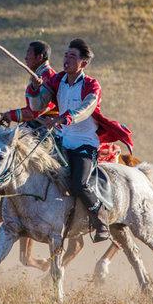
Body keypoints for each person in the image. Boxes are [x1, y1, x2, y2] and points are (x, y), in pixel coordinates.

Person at [26, 39, 133, 242]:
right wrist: (35, 87)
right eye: (66, 55)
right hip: (61, 140)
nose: (66, 59)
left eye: (72, 56)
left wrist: (64, 118)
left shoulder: (92, 85)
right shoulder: (58, 80)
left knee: (78, 182)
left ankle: (101, 220)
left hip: (84, 143)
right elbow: (37, 105)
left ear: (83, 63)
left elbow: (86, 109)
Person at [0, 41, 56, 126]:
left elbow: (34, 113)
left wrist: (10, 115)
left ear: (39, 57)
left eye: (29, 53)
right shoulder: (40, 74)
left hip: (47, 129)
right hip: (37, 125)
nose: (25, 58)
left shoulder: (48, 77)